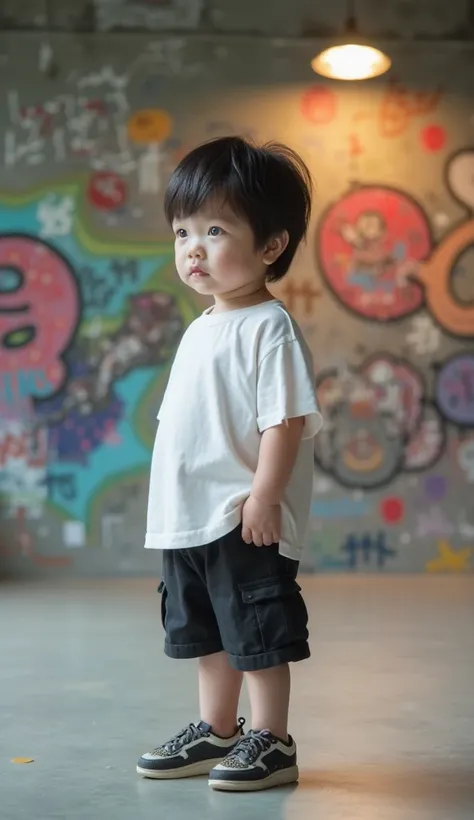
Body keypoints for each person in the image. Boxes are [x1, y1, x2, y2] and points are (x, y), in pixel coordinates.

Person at [136, 136, 322, 792]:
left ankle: (272, 738)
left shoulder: (269, 326)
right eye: (183, 231)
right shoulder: (200, 329)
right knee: (205, 634)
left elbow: (284, 418)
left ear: (271, 245)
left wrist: (265, 496)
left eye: (214, 230)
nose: (192, 247)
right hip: (189, 520)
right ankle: (218, 729)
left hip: (242, 516)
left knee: (258, 632)